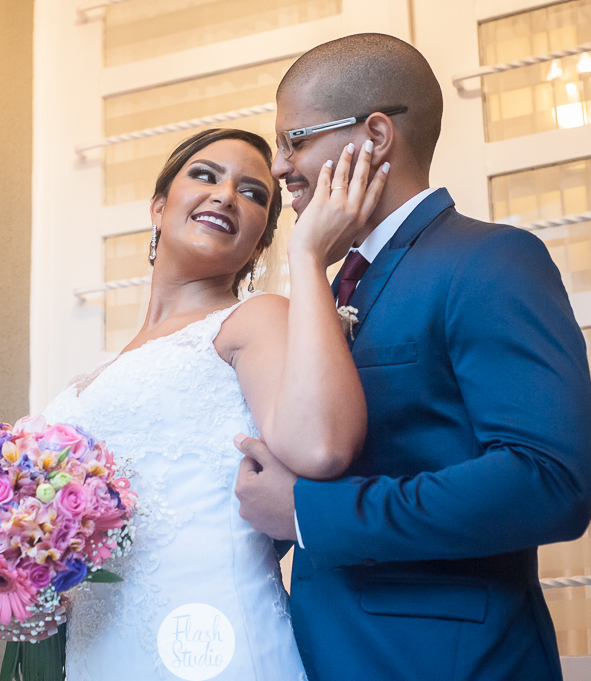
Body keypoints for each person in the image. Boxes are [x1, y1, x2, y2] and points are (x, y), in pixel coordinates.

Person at [234, 34, 591, 681]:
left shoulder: (489, 261)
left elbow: (548, 480)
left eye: (295, 140)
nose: (281, 166)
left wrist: (307, 513)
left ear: (374, 135)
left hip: (446, 661)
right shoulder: (338, 281)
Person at [41, 127, 388, 680]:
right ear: (158, 207)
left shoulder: (253, 319)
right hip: (98, 650)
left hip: (210, 642)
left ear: (258, 242)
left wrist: (308, 255)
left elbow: (321, 448)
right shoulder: (99, 371)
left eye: (253, 193)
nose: (226, 194)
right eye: (205, 176)